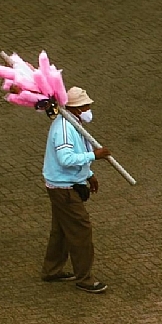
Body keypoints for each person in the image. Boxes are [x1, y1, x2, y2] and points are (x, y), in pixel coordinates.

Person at [41, 86, 111, 293]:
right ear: (77, 108)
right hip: (64, 189)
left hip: (64, 185)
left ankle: (51, 270)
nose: (89, 108)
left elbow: (78, 152)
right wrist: (94, 157)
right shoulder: (64, 128)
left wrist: (89, 174)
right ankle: (85, 278)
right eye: (86, 105)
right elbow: (66, 159)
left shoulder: (73, 123)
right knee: (81, 231)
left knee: (61, 230)